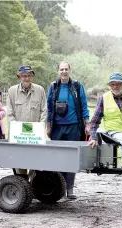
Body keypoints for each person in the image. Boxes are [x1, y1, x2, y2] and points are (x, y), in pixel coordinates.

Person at [46, 61, 90, 199]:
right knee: (57, 158)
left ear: (70, 70)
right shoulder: (53, 87)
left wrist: (87, 123)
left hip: (74, 126)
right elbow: (48, 107)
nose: (64, 71)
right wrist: (48, 125)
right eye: (61, 69)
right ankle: (59, 189)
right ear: (58, 71)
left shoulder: (77, 86)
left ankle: (70, 189)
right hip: (57, 127)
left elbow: (84, 106)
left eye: (66, 69)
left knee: (71, 158)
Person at [6, 65, 47, 177]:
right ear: (19, 76)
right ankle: (22, 185)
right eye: (24, 76)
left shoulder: (40, 90)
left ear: (32, 76)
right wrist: (17, 130)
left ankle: (33, 184)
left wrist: (39, 128)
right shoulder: (12, 91)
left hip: (35, 136)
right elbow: (9, 113)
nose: (27, 78)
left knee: (35, 162)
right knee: (19, 163)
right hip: (18, 136)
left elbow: (44, 111)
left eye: (29, 75)